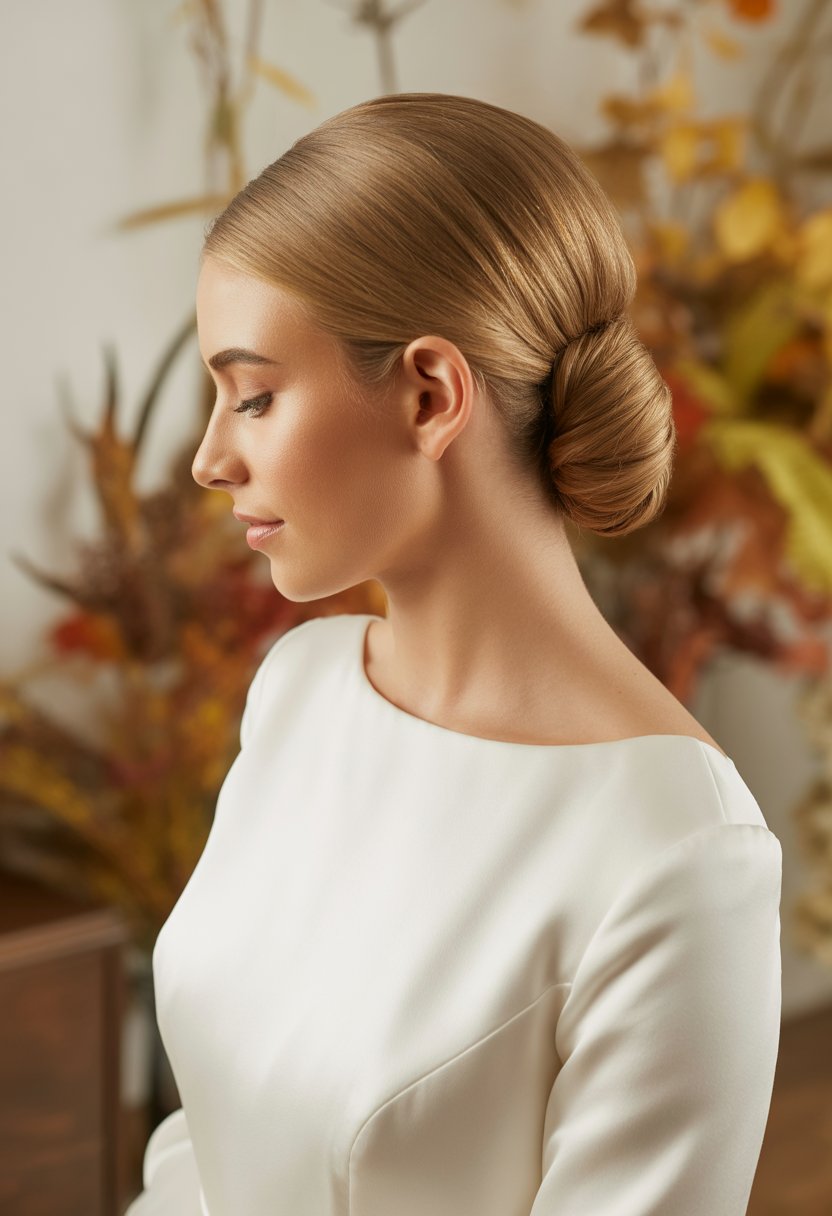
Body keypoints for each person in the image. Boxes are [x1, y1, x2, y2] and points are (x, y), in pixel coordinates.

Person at [125, 92, 782, 1216]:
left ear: (431, 395)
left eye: (255, 396)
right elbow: (208, 1145)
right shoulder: (302, 694)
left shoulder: (677, 861)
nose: (210, 458)